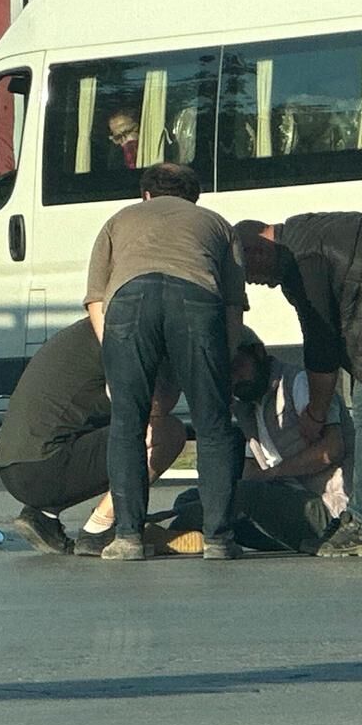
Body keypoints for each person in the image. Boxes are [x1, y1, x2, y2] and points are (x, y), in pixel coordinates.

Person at [235, 212, 362, 558]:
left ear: (257, 251)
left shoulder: (301, 262)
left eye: (250, 276)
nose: (258, 284)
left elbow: (321, 347)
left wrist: (315, 413)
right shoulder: (308, 230)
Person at [84, 161, 248, 561]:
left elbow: (96, 301)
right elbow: (232, 307)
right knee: (212, 424)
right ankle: (219, 539)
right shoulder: (217, 224)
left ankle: (127, 538)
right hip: (196, 300)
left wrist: (116, 357)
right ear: (193, 197)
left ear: (146, 195)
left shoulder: (118, 220)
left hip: (130, 301)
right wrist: (219, 364)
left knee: (128, 423)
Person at [0, 318, 187, 556]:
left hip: (14, 466)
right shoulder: (132, 335)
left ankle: (44, 515)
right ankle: (99, 529)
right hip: (43, 466)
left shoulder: (101, 328)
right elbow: (155, 405)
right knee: (167, 433)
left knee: (117, 421)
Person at [170, 332, 348, 554]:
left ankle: (169, 537)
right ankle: (184, 533)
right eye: (227, 375)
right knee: (193, 498)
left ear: (259, 353)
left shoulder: (298, 383)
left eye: (237, 366)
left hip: (327, 511)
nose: (235, 379)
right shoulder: (249, 406)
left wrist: (273, 474)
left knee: (239, 496)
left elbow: (332, 448)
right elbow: (251, 469)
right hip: (280, 505)